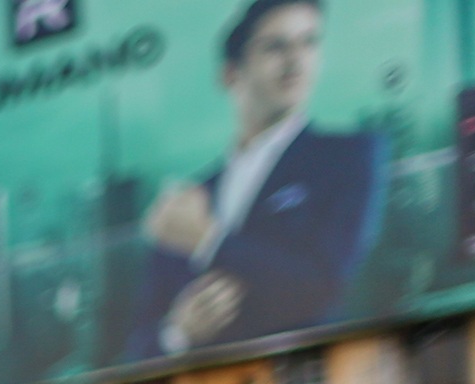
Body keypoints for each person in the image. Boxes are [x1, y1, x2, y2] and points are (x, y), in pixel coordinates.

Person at [123, 0, 384, 363]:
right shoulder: (192, 198)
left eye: (308, 43)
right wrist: (177, 334)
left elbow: (324, 285)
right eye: (276, 47)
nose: (296, 61)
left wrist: (208, 240)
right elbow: (133, 349)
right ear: (231, 75)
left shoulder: (349, 157)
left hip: (309, 376)